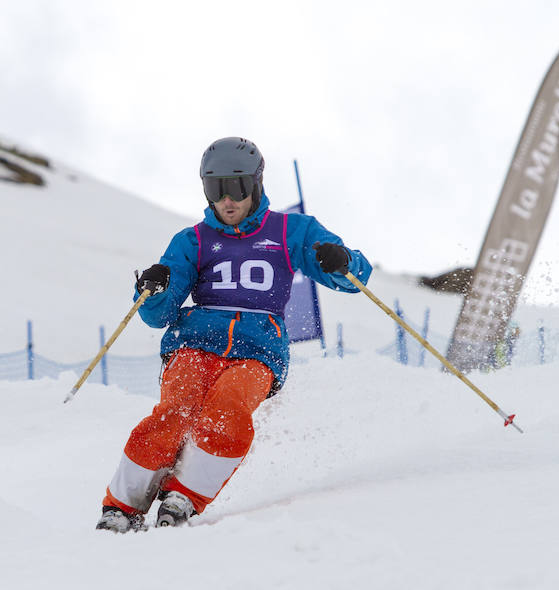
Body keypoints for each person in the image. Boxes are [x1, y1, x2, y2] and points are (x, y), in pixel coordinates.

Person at [96, 137, 373, 532]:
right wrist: (153, 290)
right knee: (176, 411)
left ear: (256, 184)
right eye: (216, 189)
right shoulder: (193, 239)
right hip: (193, 343)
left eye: (237, 187)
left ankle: (185, 494)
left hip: (257, 350)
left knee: (227, 409)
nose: (227, 200)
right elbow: (159, 316)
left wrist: (340, 262)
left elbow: (354, 278)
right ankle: (122, 504)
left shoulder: (291, 231)